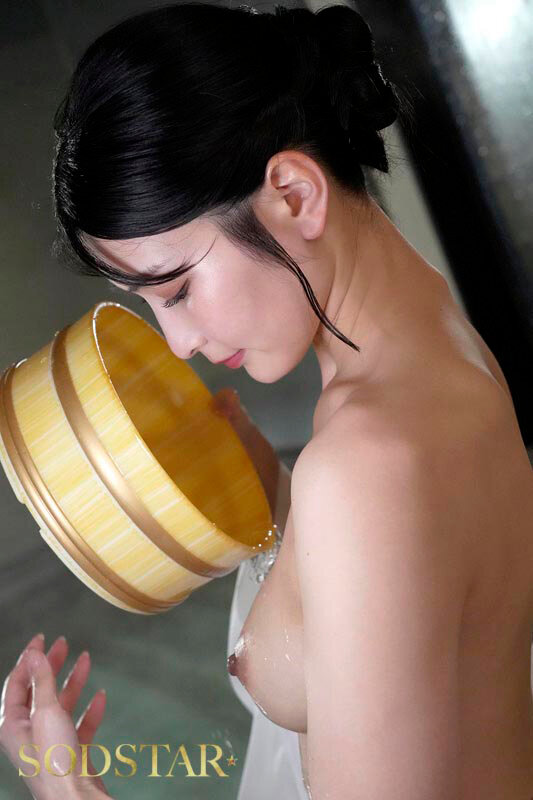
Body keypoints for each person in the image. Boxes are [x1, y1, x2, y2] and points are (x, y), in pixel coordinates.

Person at [1, 3, 533, 799]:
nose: (178, 343)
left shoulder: (365, 466)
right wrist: (279, 505)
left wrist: (65, 790)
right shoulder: (432, 350)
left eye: (177, 289)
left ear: (292, 193)